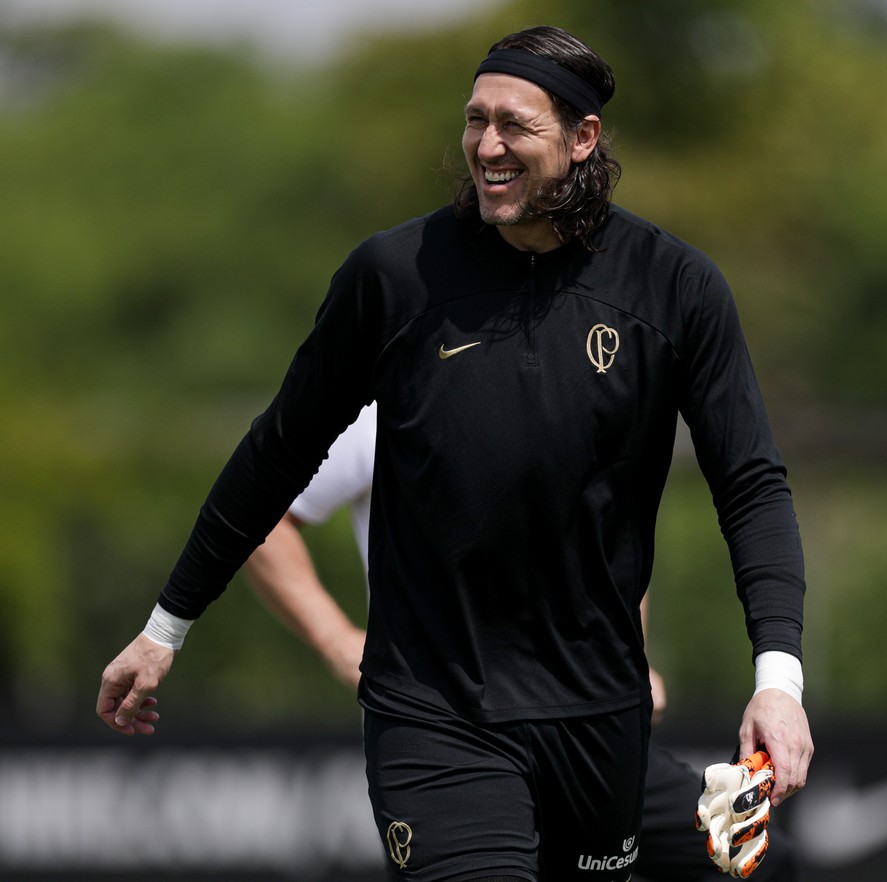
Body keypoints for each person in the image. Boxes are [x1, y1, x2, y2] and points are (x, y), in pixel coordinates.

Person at [98, 25, 812, 882]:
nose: (487, 145)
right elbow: (274, 457)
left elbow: (751, 487)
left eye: (516, 125)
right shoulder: (393, 277)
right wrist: (163, 629)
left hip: (599, 719)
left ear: (583, 140)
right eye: (476, 121)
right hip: (434, 712)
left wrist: (779, 681)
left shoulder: (675, 288)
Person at [243, 403, 798, 880]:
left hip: (586, 725)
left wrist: (631, 656)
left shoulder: (579, 382)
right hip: (453, 732)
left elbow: (614, 539)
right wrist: (339, 640)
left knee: (762, 866)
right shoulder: (388, 402)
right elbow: (260, 514)